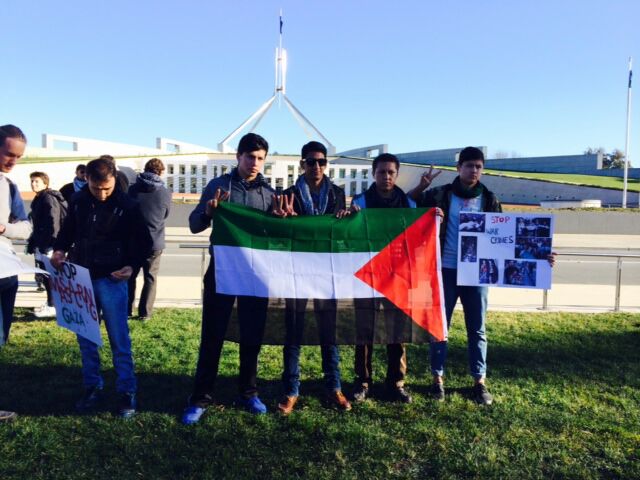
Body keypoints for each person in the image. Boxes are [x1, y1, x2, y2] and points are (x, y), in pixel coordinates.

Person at [409, 146, 555, 405]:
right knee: (440, 327)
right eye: (468, 165)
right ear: (459, 168)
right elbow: (405, 205)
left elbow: (508, 240)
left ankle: (479, 381)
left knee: (477, 328)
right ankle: (437, 380)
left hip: (478, 274)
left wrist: (541, 255)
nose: (473, 170)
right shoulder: (439, 195)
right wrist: (421, 187)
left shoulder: (489, 199)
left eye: (478, 166)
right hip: (445, 269)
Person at [182, 133, 275, 424]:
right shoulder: (219, 186)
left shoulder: (269, 193)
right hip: (221, 271)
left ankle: (248, 392)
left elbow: (272, 235)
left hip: (255, 276)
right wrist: (209, 212)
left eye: (260, 158)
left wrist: (283, 220)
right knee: (212, 334)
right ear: (238, 156)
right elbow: (194, 225)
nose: (255, 163)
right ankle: (200, 396)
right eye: (251, 157)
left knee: (252, 337)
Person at [52, 157, 151, 418]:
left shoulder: (128, 205)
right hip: (81, 277)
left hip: (112, 278)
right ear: (87, 180)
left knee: (119, 339)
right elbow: (68, 230)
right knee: (86, 338)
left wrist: (131, 265)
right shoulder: (78, 200)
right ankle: (92, 386)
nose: (103, 194)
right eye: (97, 188)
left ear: (114, 179)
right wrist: (60, 249)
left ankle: (126, 391)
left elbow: (144, 242)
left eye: (107, 188)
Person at [277, 141, 352, 415]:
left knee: (328, 333)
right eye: (311, 162)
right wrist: (285, 220)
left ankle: (334, 387)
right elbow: (280, 235)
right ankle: (291, 390)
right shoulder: (288, 194)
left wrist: (347, 217)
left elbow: (340, 233)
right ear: (302, 164)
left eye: (321, 162)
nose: (316, 167)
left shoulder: (337, 193)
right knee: (293, 332)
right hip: (296, 272)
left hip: (327, 272)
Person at [349, 153, 419, 404]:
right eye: (381, 172)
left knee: (397, 331)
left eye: (391, 172)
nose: (386, 176)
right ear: (373, 173)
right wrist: (350, 217)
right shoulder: (360, 202)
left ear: (396, 175)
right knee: (364, 330)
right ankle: (363, 380)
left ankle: (396, 382)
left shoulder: (409, 205)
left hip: (397, 275)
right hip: (367, 273)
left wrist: (434, 218)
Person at [0, 124, 32, 422]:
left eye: (18, 157)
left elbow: (25, 226)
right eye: (9, 154)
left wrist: (4, 228)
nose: (13, 162)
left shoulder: (9, 187)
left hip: (6, 273)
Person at [127, 158, 171, 320]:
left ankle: (127, 309)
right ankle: (145, 313)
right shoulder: (165, 192)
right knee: (150, 277)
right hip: (154, 240)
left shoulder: (132, 190)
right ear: (160, 172)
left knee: (130, 276)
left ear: (145, 169)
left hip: (133, 240)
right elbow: (165, 214)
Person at [27, 171, 68, 318]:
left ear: (45, 183)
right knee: (45, 275)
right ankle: (51, 303)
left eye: (37, 181)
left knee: (50, 275)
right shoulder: (39, 198)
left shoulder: (48, 198)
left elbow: (53, 221)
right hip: (41, 241)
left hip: (49, 243)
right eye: (32, 181)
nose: (33, 184)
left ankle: (53, 305)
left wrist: (52, 244)